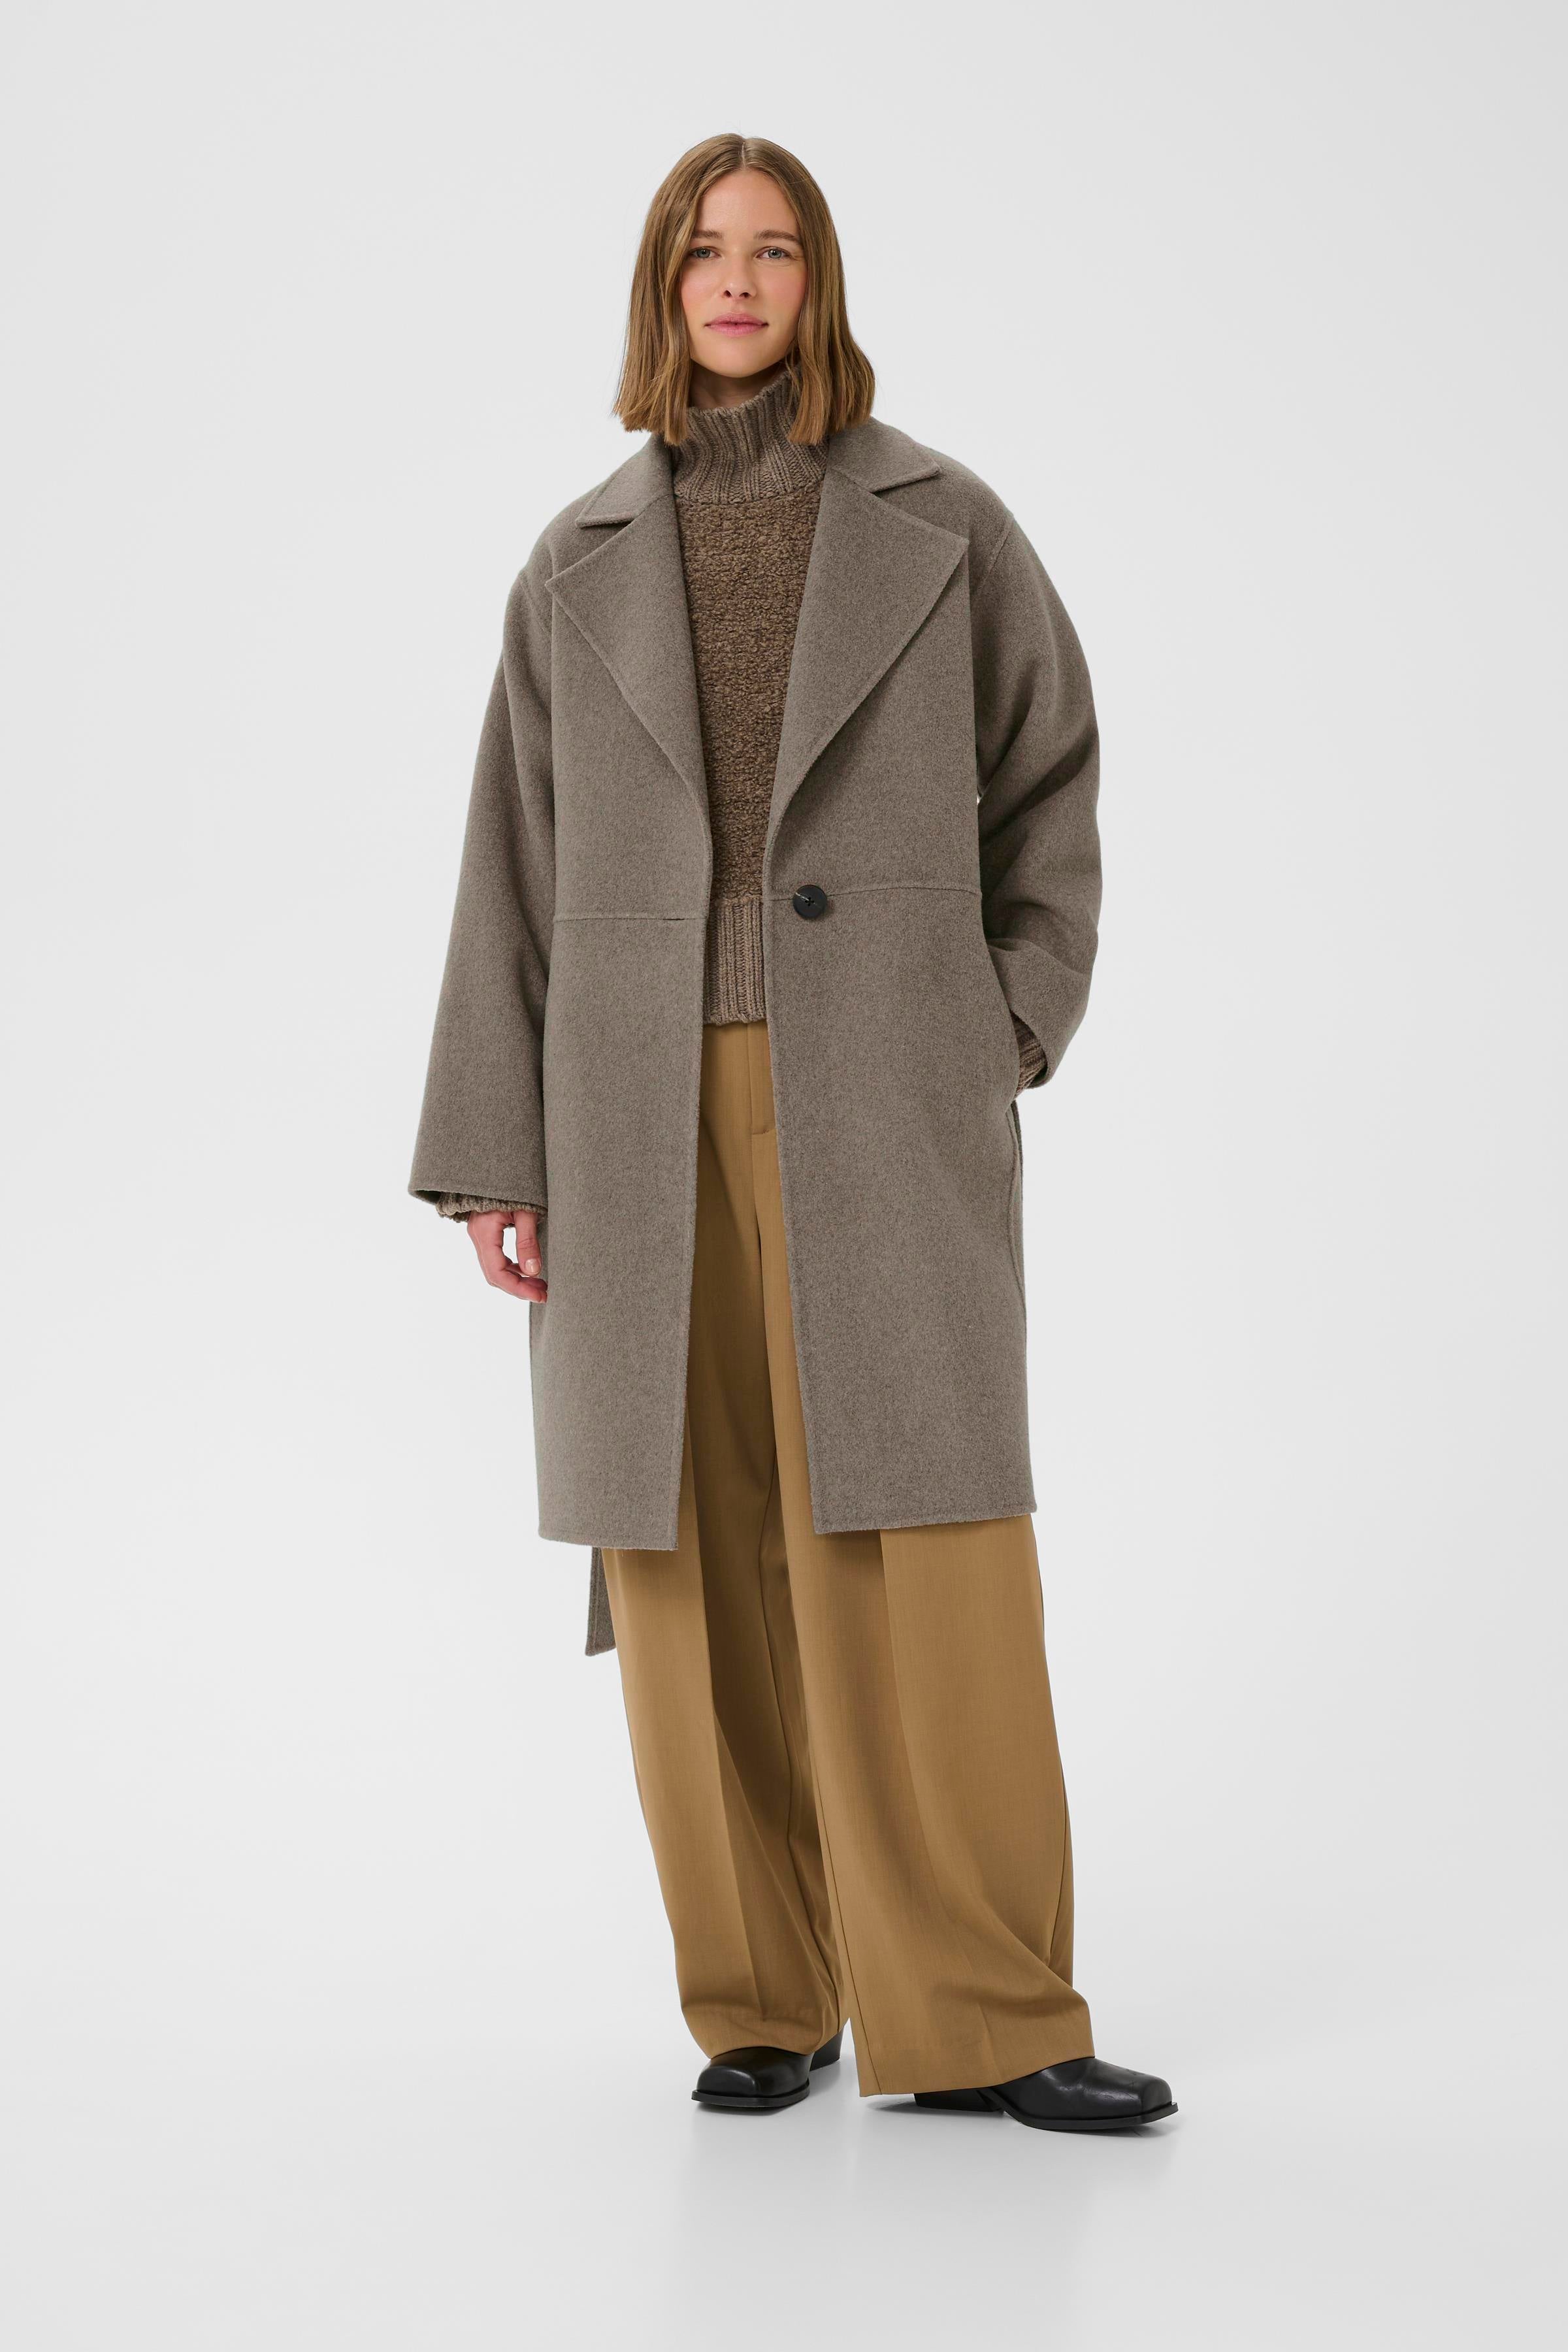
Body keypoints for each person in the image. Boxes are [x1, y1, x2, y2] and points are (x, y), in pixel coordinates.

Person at [409, 133, 1174, 2133]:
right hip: (629, 1107)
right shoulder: (574, 561)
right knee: (690, 1550)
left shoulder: (943, 520)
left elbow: (1052, 780)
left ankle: (988, 2012)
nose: (736, 282)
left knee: (925, 1541)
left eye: (773, 250)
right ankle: (763, 1997)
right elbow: (512, 863)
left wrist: (1007, 1020)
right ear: (660, 287)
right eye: (702, 251)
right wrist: (497, 1151)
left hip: (882, 1092)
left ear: (820, 282)